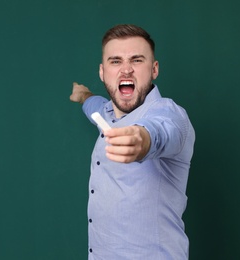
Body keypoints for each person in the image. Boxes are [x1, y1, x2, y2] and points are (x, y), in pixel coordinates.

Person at [70, 24, 195, 259]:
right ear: (102, 72)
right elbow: (94, 106)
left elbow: (159, 132)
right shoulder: (106, 113)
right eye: (115, 61)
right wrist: (83, 95)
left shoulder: (171, 115)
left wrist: (142, 140)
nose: (126, 70)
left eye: (137, 60)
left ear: (154, 69)